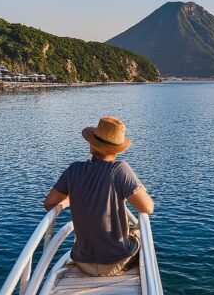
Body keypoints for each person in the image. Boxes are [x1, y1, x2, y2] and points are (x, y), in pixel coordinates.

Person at [44, 116, 154, 277]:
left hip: (82, 263)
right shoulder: (120, 170)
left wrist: (71, 199)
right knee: (137, 233)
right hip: (114, 264)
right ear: (118, 150)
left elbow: (49, 203)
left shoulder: (74, 170)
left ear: (91, 146)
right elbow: (148, 207)